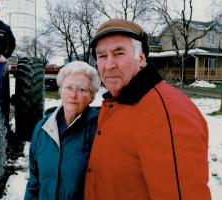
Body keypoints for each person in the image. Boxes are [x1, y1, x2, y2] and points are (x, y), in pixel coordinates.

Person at [85, 19, 211, 199]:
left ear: (142, 58)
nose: (109, 65)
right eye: (102, 56)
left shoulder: (167, 113)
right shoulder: (117, 102)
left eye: (119, 53)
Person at [24, 61, 101, 200]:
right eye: (68, 88)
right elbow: (34, 183)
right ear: (60, 91)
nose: (73, 95)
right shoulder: (43, 128)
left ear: (92, 97)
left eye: (82, 90)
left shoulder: (98, 130)